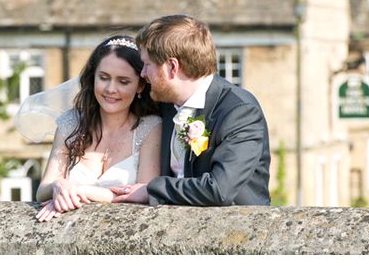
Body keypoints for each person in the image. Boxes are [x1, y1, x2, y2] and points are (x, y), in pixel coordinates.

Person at [111, 15, 271, 206]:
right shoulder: (164, 100)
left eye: (147, 65)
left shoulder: (240, 112)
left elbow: (219, 190)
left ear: (172, 67)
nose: (143, 74)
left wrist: (151, 189)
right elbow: (110, 101)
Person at [35, 35, 162, 221]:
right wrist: (59, 186)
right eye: (103, 78)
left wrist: (79, 191)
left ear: (140, 85)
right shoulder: (70, 123)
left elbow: (144, 193)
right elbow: (42, 192)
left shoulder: (151, 128)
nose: (111, 89)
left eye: (123, 81)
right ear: (93, 77)